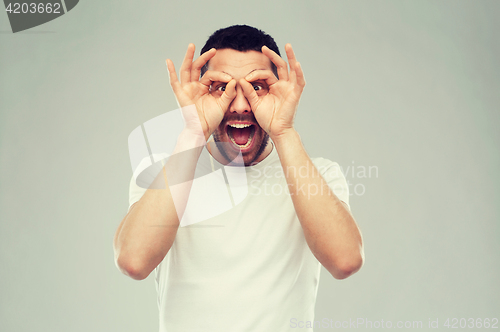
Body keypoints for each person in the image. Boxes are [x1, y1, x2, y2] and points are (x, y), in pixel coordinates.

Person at [113, 25, 364, 331]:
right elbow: (133, 262)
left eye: (257, 86)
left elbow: (345, 261)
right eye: (223, 87)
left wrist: (283, 131)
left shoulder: (319, 174)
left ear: (277, 90)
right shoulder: (163, 173)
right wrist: (193, 132)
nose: (242, 104)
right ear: (204, 90)